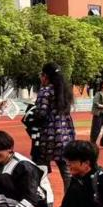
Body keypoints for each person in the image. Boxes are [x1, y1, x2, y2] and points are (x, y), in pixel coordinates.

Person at [31, 62, 75, 190]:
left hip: (48, 135)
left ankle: (43, 198)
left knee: (40, 169)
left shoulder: (45, 90)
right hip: (66, 133)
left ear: (45, 76)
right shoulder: (65, 91)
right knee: (67, 172)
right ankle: (70, 203)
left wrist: (33, 111)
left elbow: (41, 113)